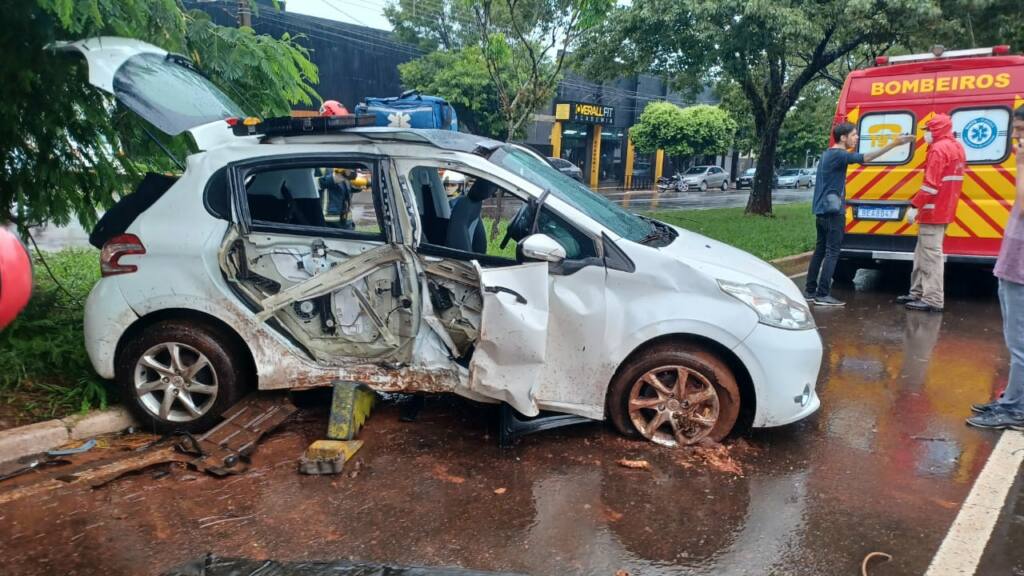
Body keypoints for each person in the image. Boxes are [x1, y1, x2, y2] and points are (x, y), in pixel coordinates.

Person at [805, 123, 913, 306]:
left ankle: (810, 290)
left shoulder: (826, 154)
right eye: (854, 135)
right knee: (832, 252)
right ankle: (822, 294)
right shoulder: (839, 155)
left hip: (822, 211)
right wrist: (895, 143)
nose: (856, 138)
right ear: (843, 138)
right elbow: (867, 157)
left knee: (820, 250)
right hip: (833, 213)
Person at [966, 106, 1024, 430]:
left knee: (1020, 343)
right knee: (1015, 339)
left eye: (1020, 129)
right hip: (1013, 264)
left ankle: (1017, 410)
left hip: (1021, 268)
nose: (1015, 136)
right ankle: (1011, 400)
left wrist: (1020, 164)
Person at [897, 114, 966, 313]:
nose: (925, 134)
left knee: (930, 255)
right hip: (945, 209)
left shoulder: (938, 149)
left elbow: (931, 186)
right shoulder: (957, 147)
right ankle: (917, 292)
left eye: (927, 130)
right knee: (922, 253)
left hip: (933, 210)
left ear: (935, 130)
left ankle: (933, 298)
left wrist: (915, 206)